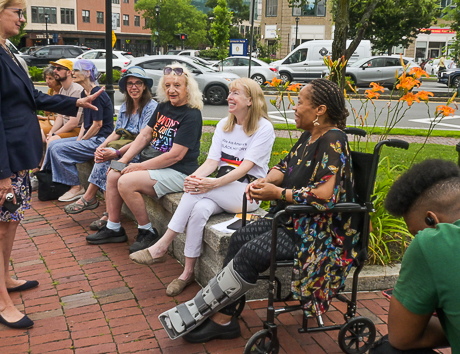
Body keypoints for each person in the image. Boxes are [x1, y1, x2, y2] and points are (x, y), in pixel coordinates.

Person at [159, 78, 357, 343]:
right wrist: (267, 180)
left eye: (300, 102)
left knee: (252, 252)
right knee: (240, 238)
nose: (295, 108)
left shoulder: (333, 139)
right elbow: (284, 167)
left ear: (319, 110)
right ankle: (223, 312)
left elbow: (325, 195)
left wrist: (279, 193)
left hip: (318, 233)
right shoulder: (310, 136)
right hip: (293, 220)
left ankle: (220, 318)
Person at [0, 0, 104, 329]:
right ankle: (1, 301)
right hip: (4, 161)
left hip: (18, 155)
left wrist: (75, 103)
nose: (23, 19)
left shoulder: (3, 49)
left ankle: (5, 279)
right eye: (17, 12)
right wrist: (1, 174)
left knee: (10, 221)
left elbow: (28, 98)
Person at [129, 78, 275, 296]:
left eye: (235, 93)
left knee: (196, 190)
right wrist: (194, 177)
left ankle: (162, 245)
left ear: (251, 100)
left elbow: (245, 168)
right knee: (198, 209)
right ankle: (187, 274)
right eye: (230, 92)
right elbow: (212, 162)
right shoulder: (224, 125)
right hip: (223, 189)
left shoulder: (264, 128)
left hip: (247, 193)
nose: (229, 97)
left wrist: (211, 183)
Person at [369, 159, 460, 354]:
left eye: (415, 232)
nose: (417, 238)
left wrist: (459, 324)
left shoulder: (434, 241)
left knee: (387, 349)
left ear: (431, 219)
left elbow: (402, 337)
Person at [86, 63, 203, 254]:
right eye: (167, 85)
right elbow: (144, 136)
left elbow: (175, 156)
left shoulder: (192, 115)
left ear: (187, 88)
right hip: (154, 164)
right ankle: (113, 228)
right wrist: (122, 160)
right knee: (114, 172)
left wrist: (138, 167)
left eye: (177, 85)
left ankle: (147, 231)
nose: (171, 90)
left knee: (126, 181)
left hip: (179, 171)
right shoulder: (164, 107)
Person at [63, 66, 157, 227]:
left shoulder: (151, 106)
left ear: (145, 86)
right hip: (123, 147)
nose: (134, 87)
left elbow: (143, 139)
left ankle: (93, 201)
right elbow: (116, 132)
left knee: (109, 161)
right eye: (130, 84)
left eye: (138, 83)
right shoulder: (126, 106)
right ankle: (105, 212)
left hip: (139, 150)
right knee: (103, 155)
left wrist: (115, 152)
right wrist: (101, 146)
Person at [42, 59, 114, 202]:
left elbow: (97, 125)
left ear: (87, 73)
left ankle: (76, 187)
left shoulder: (96, 94)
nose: (72, 73)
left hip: (100, 140)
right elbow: (84, 125)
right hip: (90, 137)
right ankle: (45, 178)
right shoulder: (84, 94)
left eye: (76, 70)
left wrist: (82, 141)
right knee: (53, 144)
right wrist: (79, 140)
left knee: (58, 150)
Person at [43, 59, 84, 143]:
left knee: (52, 140)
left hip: (76, 130)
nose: (54, 71)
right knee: (37, 133)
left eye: (58, 69)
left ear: (69, 72)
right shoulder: (62, 89)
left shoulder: (76, 90)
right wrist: (51, 132)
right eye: (55, 68)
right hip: (64, 127)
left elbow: (73, 123)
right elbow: (60, 116)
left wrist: (54, 134)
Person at [37, 65, 63, 142]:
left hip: (58, 123)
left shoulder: (64, 91)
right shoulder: (51, 91)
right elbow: (46, 112)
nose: (47, 81)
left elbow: (61, 117)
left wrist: (42, 117)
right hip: (50, 120)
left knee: (38, 130)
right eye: (46, 78)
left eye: (50, 78)